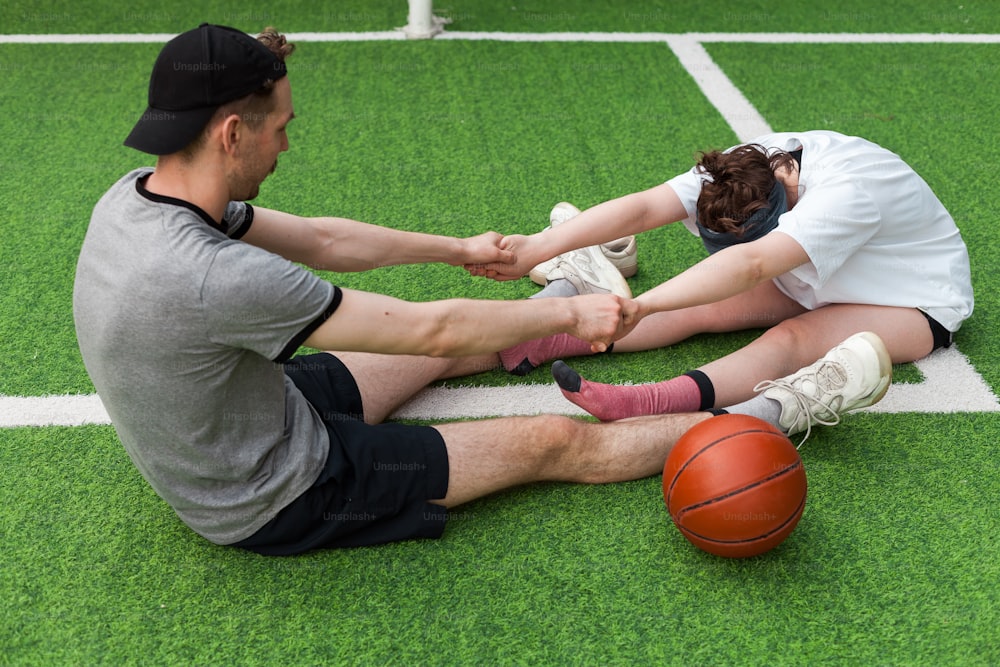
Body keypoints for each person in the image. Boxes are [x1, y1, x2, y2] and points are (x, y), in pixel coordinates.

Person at [73, 25, 890, 556]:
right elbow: (424, 330)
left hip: (246, 407)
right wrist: (577, 314)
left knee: (440, 359)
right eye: (281, 125)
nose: (288, 141)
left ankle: (564, 291)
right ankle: (784, 405)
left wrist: (458, 246)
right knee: (550, 440)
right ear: (229, 132)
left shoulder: (142, 194)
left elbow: (322, 238)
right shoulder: (215, 275)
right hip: (271, 489)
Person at [470, 131, 973, 428]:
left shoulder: (846, 195)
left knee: (792, 339)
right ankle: (538, 341)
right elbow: (647, 205)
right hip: (823, 274)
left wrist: (640, 307)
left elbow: (750, 266)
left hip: (913, 301)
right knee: (696, 306)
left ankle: (647, 402)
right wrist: (539, 246)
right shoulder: (737, 170)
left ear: (786, 203)